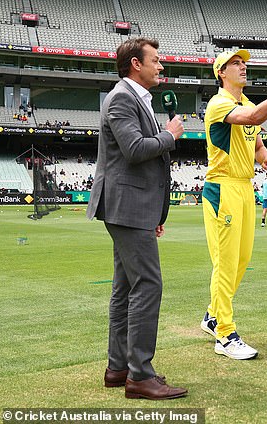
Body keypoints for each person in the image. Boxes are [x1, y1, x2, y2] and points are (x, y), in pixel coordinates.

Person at [86, 37, 187, 399]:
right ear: (135, 64)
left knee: (126, 288)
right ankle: (140, 376)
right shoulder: (122, 99)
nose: (161, 67)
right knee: (148, 285)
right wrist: (169, 135)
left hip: (134, 208)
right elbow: (134, 150)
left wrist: (155, 212)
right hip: (126, 207)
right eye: (156, 61)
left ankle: (119, 369)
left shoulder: (133, 98)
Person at [200, 49, 267, 359]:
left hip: (245, 187)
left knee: (241, 260)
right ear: (221, 72)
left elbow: (256, 141)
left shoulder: (244, 103)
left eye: (244, 63)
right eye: (236, 63)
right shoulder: (219, 103)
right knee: (226, 262)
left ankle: (212, 315)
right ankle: (225, 335)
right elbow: (255, 118)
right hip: (223, 188)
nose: (243, 67)